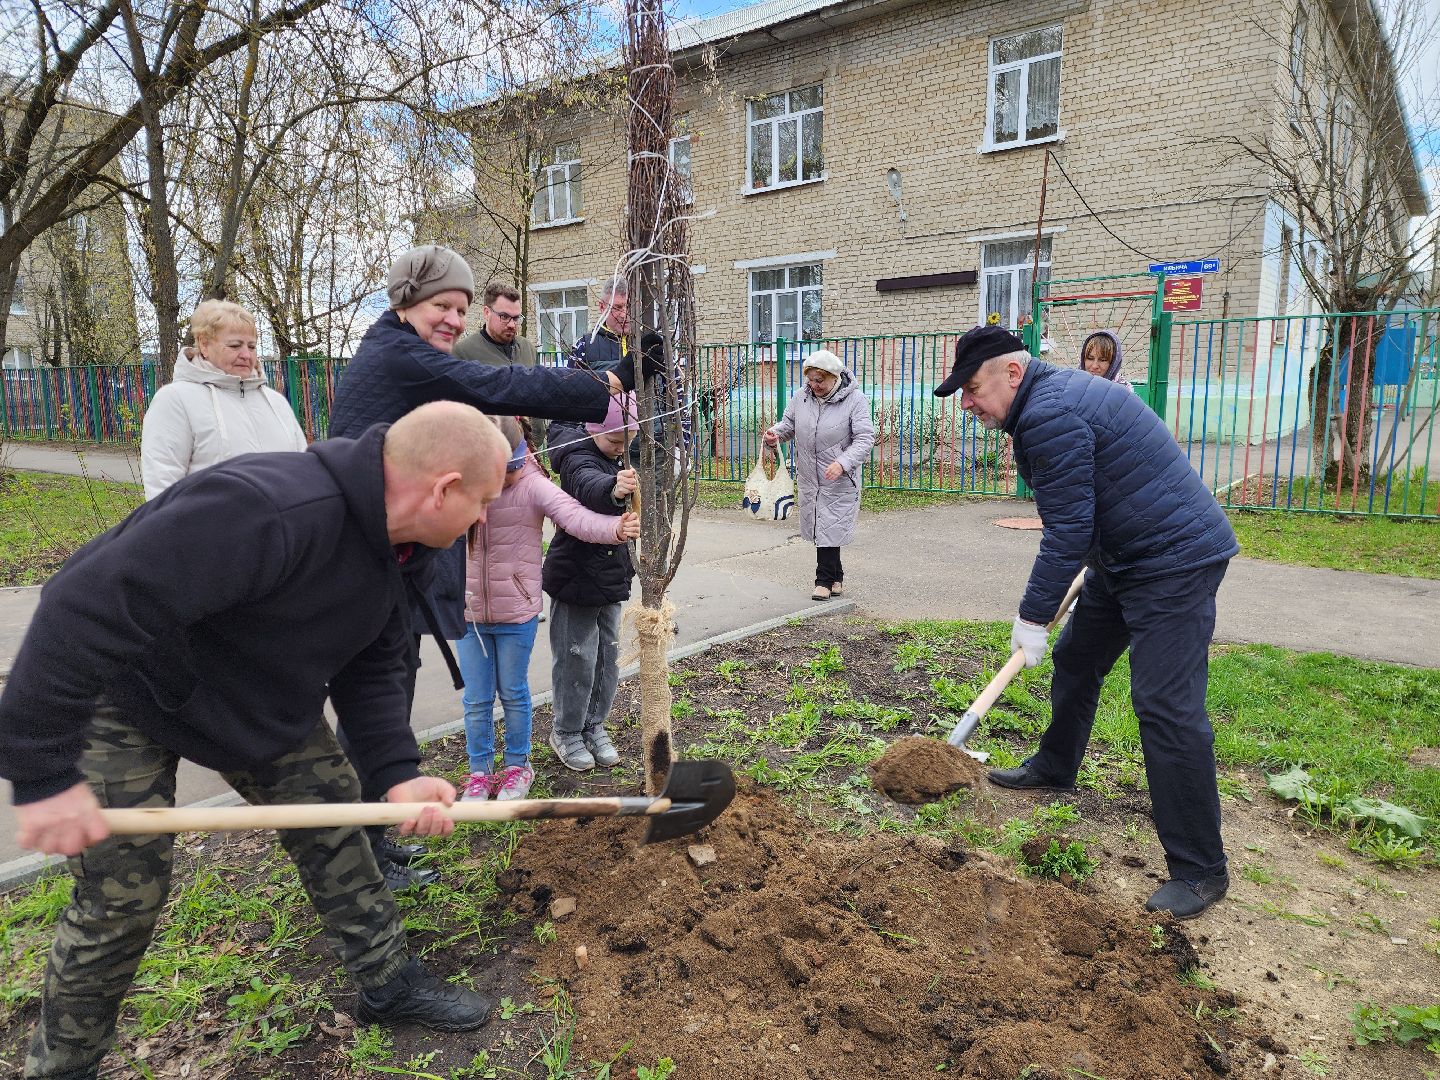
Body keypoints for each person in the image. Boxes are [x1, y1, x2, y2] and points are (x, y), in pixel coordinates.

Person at [0, 402, 512, 1078]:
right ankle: (62, 1067)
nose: (483, 520)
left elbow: (374, 660)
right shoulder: (266, 509)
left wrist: (396, 771)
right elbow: (83, 602)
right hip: (132, 693)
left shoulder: (405, 547)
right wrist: (43, 774)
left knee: (336, 827)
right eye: (482, 502)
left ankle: (387, 983)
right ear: (444, 487)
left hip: (254, 699)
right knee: (121, 897)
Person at [328, 246, 631, 888]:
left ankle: (376, 839)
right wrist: (605, 380)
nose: (451, 320)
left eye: (460, 310)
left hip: (392, 556)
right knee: (372, 699)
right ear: (405, 302)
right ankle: (359, 857)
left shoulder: (410, 355)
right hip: (361, 557)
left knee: (391, 687)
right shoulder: (398, 355)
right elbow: (499, 386)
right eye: (443, 306)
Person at [933, 324, 1239, 920]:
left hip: (1173, 562)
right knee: (1077, 658)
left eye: (972, 389)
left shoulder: (1049, 413)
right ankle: (1057, 763)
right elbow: (1088, 509)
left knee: (1165, 707)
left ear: (1012, 374)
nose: (967, 404)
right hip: (1125, 556)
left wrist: (1032, 617)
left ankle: (1201, 871)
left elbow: (1066, 531)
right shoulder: (1048, 398)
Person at [455, 417, 640, 801]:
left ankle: (517, 765)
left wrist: (615, 530)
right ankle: (479, 771)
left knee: (515, 692)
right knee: (476, 698)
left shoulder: (531, 484)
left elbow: (575, 516)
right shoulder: (461, 487)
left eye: (513, 468)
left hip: (517, 611)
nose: (508, 477)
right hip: (470, 613)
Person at [541, 393, 639, 772]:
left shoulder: (617, 456)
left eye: (625, 443)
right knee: (575, 658)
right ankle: (566, 731)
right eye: (613, 440)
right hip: (576, 576)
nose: (619, 448)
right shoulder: (576, 455)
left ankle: (594, 726)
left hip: (611, 576)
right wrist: (613, 489)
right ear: (595, 429)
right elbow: (586, 484)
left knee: (606, 658)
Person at [139, 300, 306, 500]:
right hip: (212, 530)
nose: (246, 355)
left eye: (251, 346)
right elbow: (162, 484)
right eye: (235, 345)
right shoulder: (175, 400)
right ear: (204, 344)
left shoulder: (276, 403)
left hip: (283, 530)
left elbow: (303, 470)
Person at [762, 349, 876, 601]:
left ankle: (822, 581)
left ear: (834, 377)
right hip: (810, 476)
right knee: (823, 526)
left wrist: (843, 462)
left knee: (828, 526)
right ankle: (836, 577)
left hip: (839, 477)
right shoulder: (802, 398)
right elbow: (789, 425)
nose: (814, 386)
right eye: (810, 380)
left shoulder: (855, 400)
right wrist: (775, 435)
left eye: (819, 380)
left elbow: (865, 438)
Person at [454, 281, 547, 451]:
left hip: (531, 448)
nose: (512, 324)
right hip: (489, 452)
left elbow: (539, 393)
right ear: (486, 312)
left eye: (516, 317)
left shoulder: (528, 348)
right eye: (504, 316)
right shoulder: (462, 353)